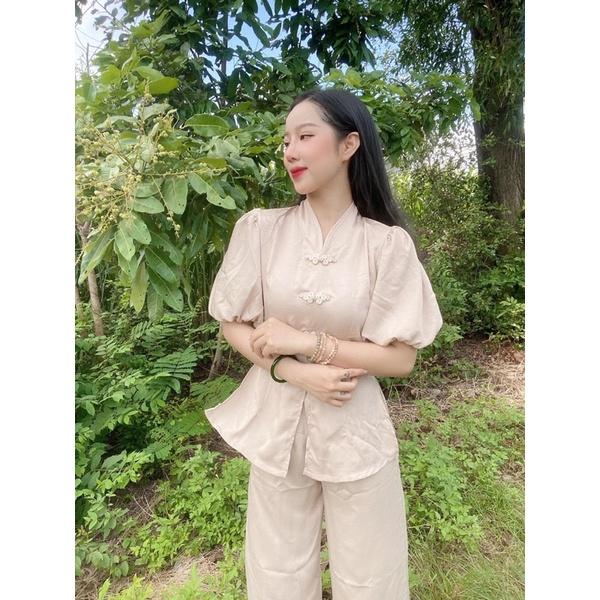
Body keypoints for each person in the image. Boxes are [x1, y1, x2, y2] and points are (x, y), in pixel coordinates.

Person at [206, 87, 443, 600]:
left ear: (348, 145)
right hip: (277, 428)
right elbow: (232, 323)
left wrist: (309, 343)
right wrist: (292, 370)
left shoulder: (386, 244)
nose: (290, 150)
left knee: (371, 575)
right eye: (286, 140)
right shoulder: (261, 231)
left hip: (354, 426)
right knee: (277, 573)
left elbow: (401, 357)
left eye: (305, 136)